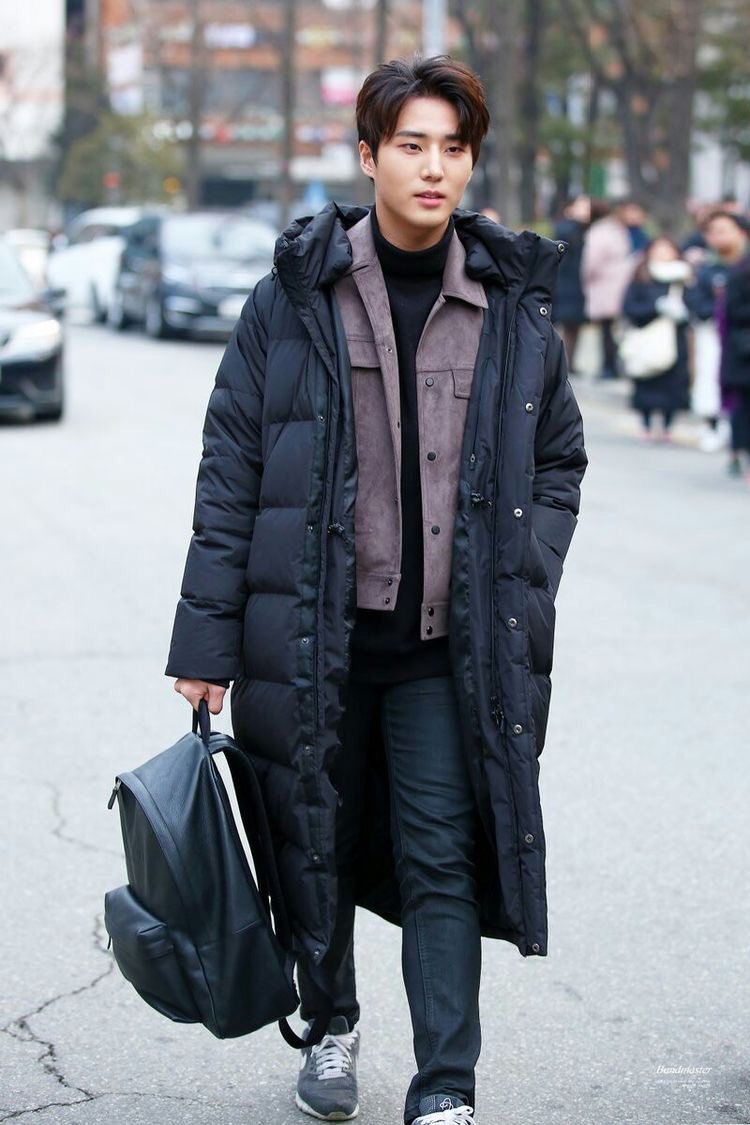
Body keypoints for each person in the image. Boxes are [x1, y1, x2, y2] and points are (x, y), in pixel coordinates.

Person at [165, 54, 587, 1125]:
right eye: (412, 145)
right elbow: (232, 470)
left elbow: (558, 458)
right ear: (368, 156)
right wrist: (205, 643)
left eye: (454, 147)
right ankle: (332, 1024)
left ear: (471, 162)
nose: (434, 167)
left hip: (448, 648)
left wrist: (524, 571)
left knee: (441, 854)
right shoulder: (295, 297)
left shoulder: (509, 304)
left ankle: (445, 1082)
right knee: (316, 843)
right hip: (317, 638)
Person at [686, 210, 750, 467]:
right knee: (716, 385)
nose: (717, 237)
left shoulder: (743, 267)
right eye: (712, 232)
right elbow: (696, 302)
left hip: (740, 341)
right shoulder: (707, 269)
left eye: (723, 230)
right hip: (718, 338)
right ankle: (724, 435)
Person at [621, 236, 691, 442]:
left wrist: (683, 313)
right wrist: (655, 308)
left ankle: (668, 426)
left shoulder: (684, 277)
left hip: (675, 340)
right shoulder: (641, 276)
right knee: (646, 382)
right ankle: (646, 424)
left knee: (673, 385)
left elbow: (696, 305)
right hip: (647, 339)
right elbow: (629, 308)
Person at [581, 198, 643, 379]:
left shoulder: (611, 231)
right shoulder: (610, 231)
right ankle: (611, 365)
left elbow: (592, 261)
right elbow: (593, 261)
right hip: (612, 285)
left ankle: (612, 365)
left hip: (612, 286)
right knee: (610, 328)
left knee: (611, 329)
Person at [552, 194, 591, 372]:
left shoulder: (579, 229)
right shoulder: (568, 229)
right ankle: (563, 364)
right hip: (567, 285)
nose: (586, 211)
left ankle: (567, 364)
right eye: (582, 206)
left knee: (572, 327)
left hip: (571, 284)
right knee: (567, 326)